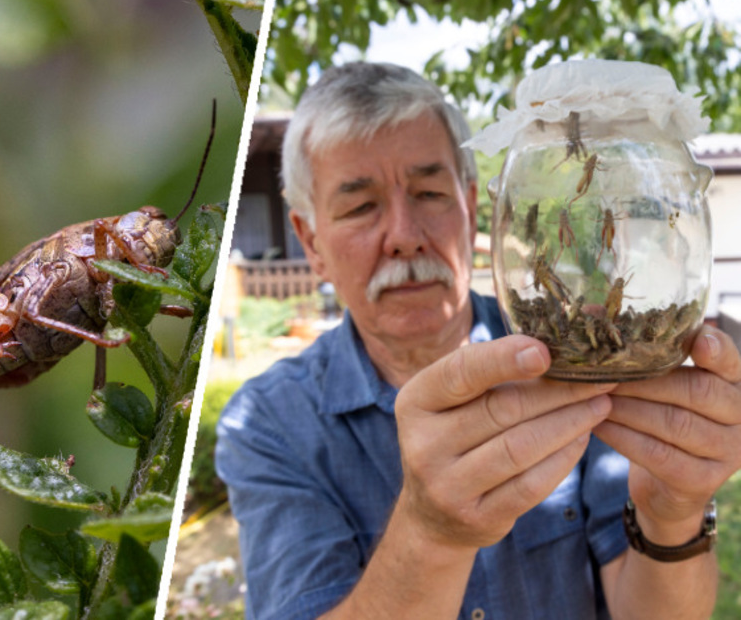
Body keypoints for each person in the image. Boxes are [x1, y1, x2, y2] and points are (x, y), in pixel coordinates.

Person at [216, 61, 741, 619]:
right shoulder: (267, 423)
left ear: (470, 208)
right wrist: (429, 533)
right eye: (360, 206)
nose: (404, 237)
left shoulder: (581, 361)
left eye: (429, 193)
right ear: (310, 240)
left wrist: (671, 515)